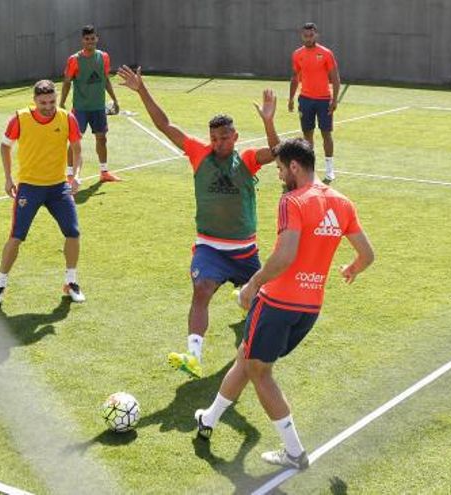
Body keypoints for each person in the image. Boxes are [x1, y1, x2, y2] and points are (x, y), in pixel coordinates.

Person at [193, 136, 374, 470]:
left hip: (278, 302)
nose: (278, 175)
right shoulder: (343, 202)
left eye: (279, 169)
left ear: (294, 166)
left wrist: (252, 285)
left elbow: (285, 255)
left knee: (260, 372)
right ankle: (209, 418)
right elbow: (367, 255)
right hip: (309, 308)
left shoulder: (293, 201)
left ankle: (294, 451)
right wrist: (352, 268)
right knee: (246, 356)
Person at [117, 65, 280, 379]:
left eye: (224, 137)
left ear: (235, 137)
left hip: (245, 251)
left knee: (262, 304)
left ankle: (245, 296)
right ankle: (193, 356)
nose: (218, 142)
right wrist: (141, 90)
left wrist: (269, 121)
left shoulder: (245, 159)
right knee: (202, 289)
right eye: (214, 138)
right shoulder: (198, 153)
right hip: (209, 247)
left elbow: (275, 152)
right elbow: (165, 125)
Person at [0, 80, 85, 308]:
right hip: (29, 187)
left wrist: (76, 175)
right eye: (43, 102)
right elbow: (4, 146)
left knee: (73, 231)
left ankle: (71, 282)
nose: (48, 106)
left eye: (51, 101)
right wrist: (8, 178)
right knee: (17, 236)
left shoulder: (66, 117)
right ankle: (0, 284)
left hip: (59, 187)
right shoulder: (20, 118)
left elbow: (77, 148)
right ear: (34, 100)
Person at [60, 24, 121, 183]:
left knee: (102, 139)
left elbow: (105, 79)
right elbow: (67, 82)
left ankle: (104, 172)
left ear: (97, 39)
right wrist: (62, 103)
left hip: (98, 108)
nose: (90, 42)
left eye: (92, 38)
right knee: (74, 142)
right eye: (87, 39)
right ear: (82, 40)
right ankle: (70, 175)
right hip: (80, 109)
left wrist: (114, 99)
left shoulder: (104, 57)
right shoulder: (74, 60)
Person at [288, 22, 341, 184]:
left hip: (324, 100)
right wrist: (290, 99)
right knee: (307, 135)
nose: (308, 38)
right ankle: (309, 168)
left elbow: (336, 78)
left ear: (316, 35)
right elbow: (295, 77)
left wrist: (334, 99)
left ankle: (330, 169)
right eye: (305, 35)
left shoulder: (326, 53)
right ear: (301, 36)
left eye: (311, 35)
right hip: (305, 100)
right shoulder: (297, 54)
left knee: (326, 133)